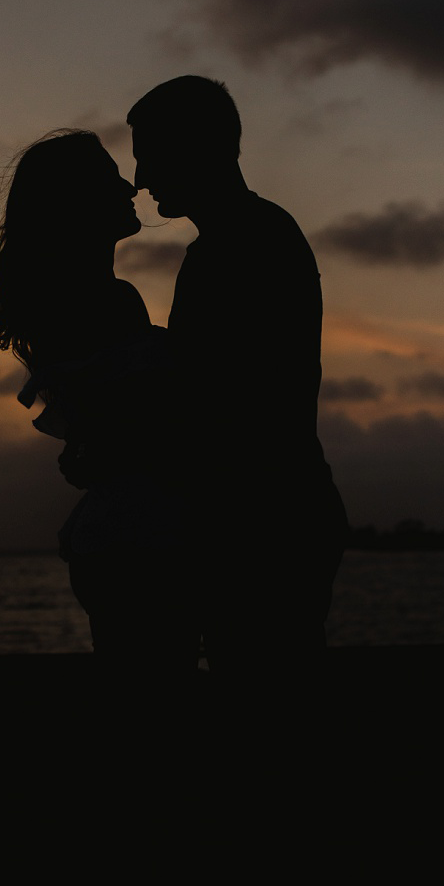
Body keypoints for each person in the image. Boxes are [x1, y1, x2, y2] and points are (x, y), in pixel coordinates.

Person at [0, 129, 200, 679]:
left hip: (122, 538)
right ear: (79, 201)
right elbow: (151, 428)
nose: (129, 186)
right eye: (110, 178)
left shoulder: (75, 304)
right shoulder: (105, 304)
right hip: (139, 544)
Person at [126, 76, 348, 679]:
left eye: (148, 154)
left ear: (193, 147)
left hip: (264, 525)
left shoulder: (240, 247)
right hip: (274, 514)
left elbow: (219, 400)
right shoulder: (248, 238)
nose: (141, 178)